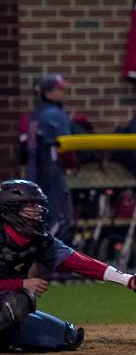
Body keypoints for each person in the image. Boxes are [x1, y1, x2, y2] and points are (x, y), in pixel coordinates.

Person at [0, 180, 136, 353]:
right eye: (29, 204)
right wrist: (20, 285)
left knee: (68, 337)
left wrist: (127, 280)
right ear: (10, 209)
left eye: (37, 204)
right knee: (18, 300)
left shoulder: (37, 239)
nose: (37, 209)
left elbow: (79, 262)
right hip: (7, 299)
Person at [26, 74, 74, 243]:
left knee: (38, 216)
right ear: (47, 92)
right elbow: (66, 148)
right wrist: (72, 164)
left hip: (33, 170)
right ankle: (53, 262)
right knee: (60, 217)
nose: (63, 93)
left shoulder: (35, 114)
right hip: (50, 169)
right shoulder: (55, 114)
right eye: (59, 89)